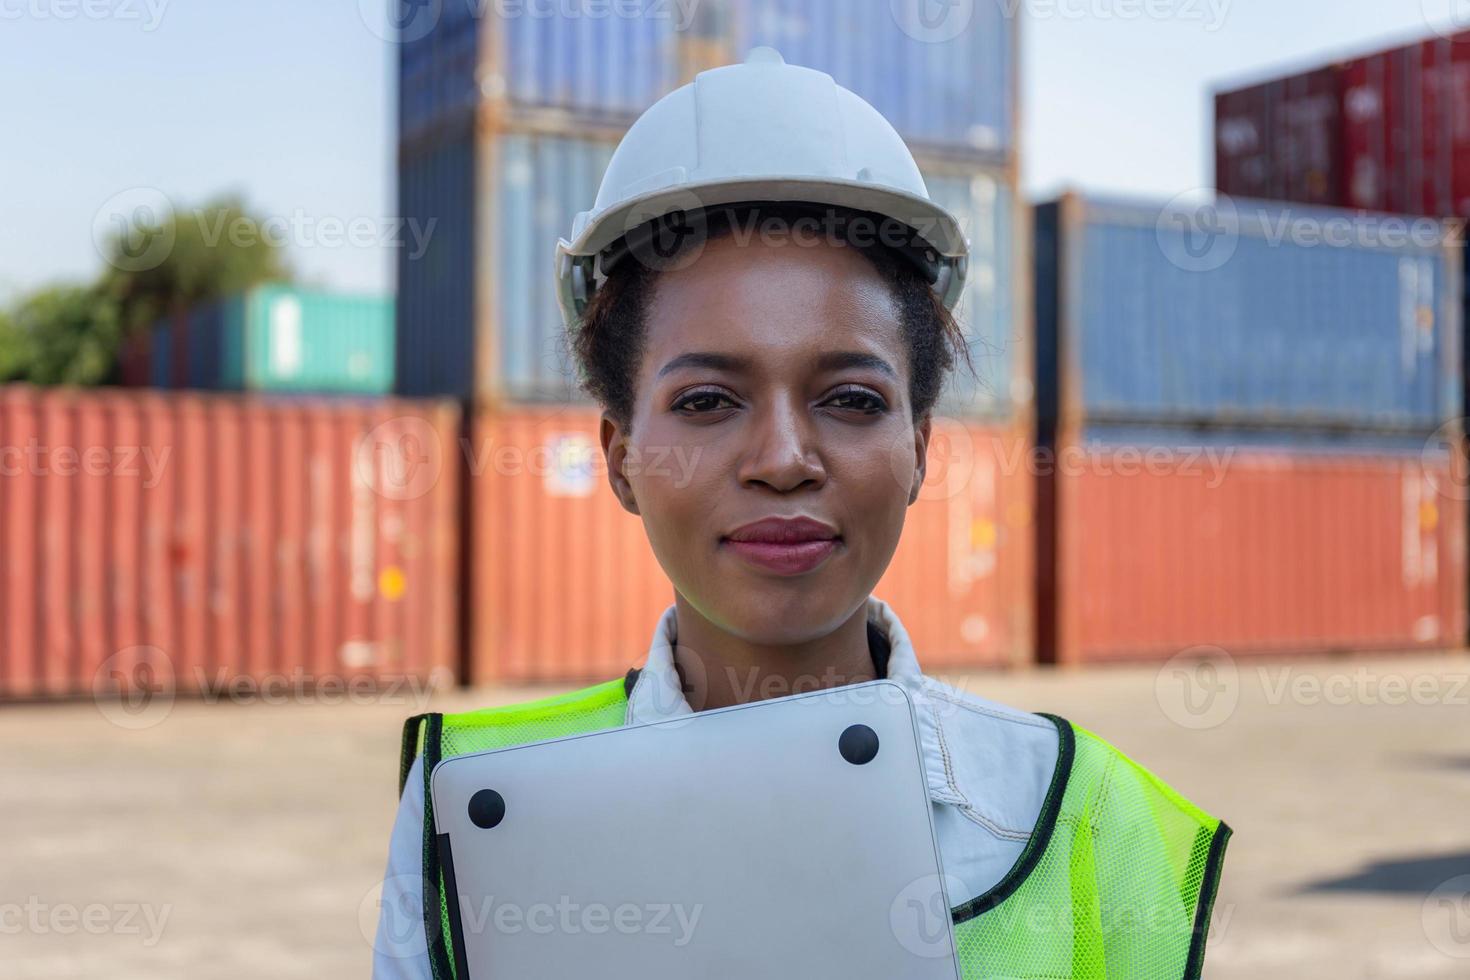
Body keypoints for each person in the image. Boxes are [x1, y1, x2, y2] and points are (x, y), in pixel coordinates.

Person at [373, 48, 1231, 980]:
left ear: (920, 451)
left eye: (852, 399)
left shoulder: (1080, 809)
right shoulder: (468, 807)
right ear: (621, 461)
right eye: (707, 401)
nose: (784, 459)